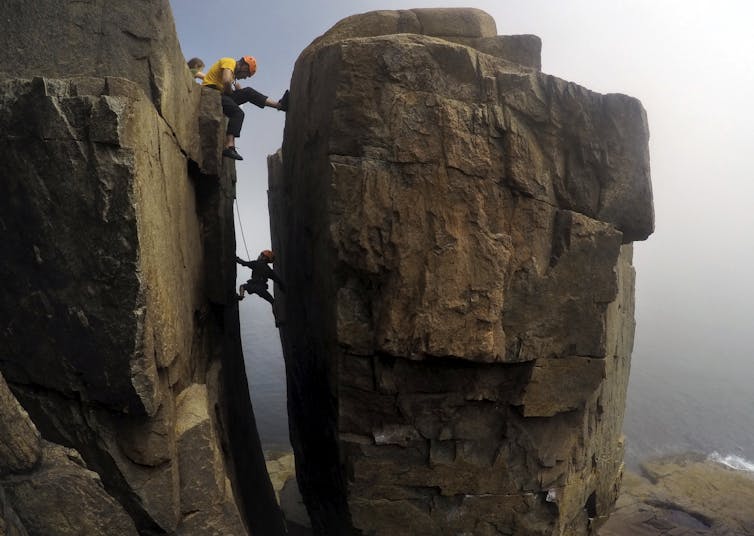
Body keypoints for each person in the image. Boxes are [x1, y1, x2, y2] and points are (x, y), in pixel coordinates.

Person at [202, 56, 289, 160]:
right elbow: (226, 81)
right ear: (244, 66)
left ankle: (279, 105)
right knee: (238, 113)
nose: (244, 77)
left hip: (220, 93)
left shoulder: (232, 73)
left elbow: (227, 83)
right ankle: (229, 146)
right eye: (246, 74)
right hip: (212, 92)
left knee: (248, 92)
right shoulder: (229, 62)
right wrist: (233, 92)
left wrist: (239, 91)